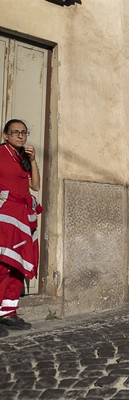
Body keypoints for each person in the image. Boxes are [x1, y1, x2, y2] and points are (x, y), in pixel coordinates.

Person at [0, 119, 43, 332]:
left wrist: (33, 160)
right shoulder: (0, 154)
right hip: (5, 214)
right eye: (15, 132)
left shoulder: (23, 158)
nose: (20, 135)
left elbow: (35, 186)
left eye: (24, 132)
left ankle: (8, 312)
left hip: (23, 215)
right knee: (2, 264)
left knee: (17, 265)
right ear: (5, 135)